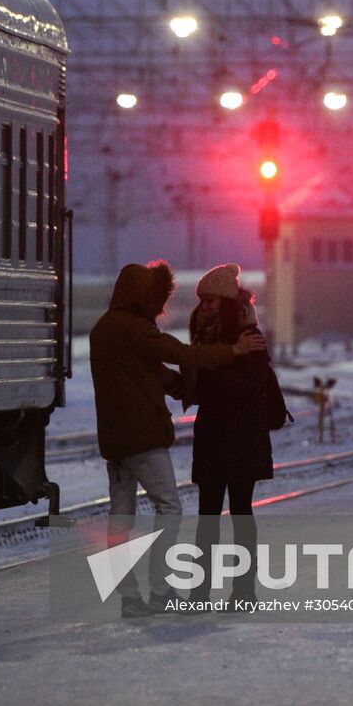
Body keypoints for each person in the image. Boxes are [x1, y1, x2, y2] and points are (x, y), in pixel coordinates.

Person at [89, 260, 266, 617]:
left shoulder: (103, 328)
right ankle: (162, 592)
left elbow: (149, 370)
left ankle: (132, 598)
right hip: (149, 436)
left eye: (213, 301)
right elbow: (178, 355)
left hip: (122, 439)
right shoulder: (136, 329)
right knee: (171, 508)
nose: (204, 307)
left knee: (121, 516)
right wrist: (227, 356)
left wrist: (186, 386)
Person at [181, 263, 285, 607]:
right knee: (208, 515)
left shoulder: (248, 336)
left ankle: (243, 592)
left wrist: (214, 370)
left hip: (242, 436)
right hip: (213, 434)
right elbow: (198, 384)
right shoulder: (205, 337)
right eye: (203, 300)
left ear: (227, 302)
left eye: (212, 300)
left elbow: (249, 386)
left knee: (240, 512)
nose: (206, 306)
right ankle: (200, 592)